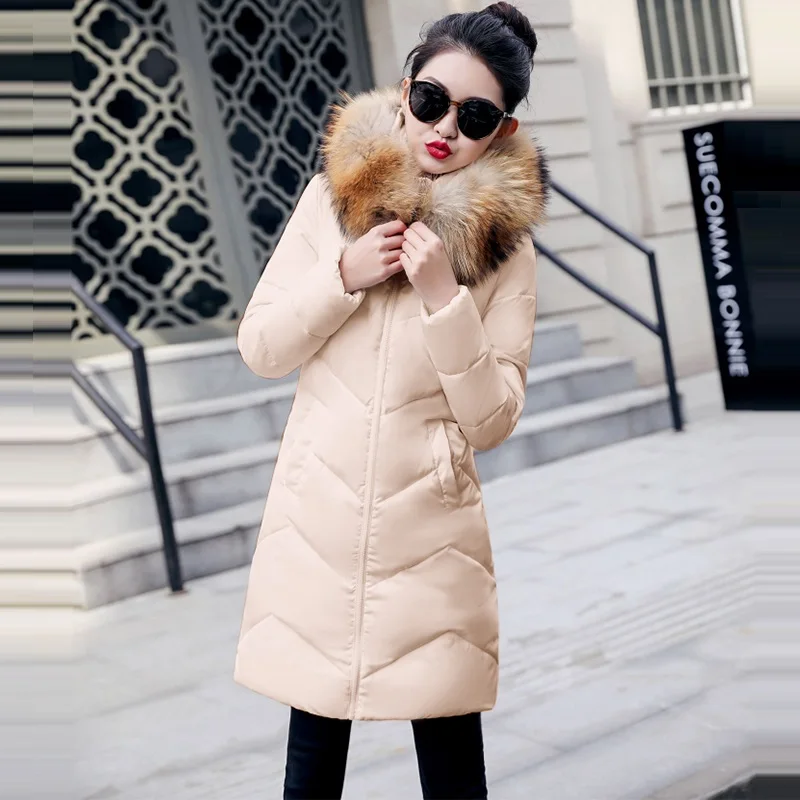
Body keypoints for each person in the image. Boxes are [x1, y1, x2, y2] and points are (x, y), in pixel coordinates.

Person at [234, 3, 548, 798]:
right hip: (320, 523)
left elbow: (493, 420)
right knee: (311, 769)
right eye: (433, 100)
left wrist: (445, 298)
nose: (444, 128)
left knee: (452, 771)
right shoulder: (330, 200)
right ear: (406, 91)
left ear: (503, 130)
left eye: (474, 117)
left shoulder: (505, 249)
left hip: (432, 537)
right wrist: (341, 277)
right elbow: (262, 347)